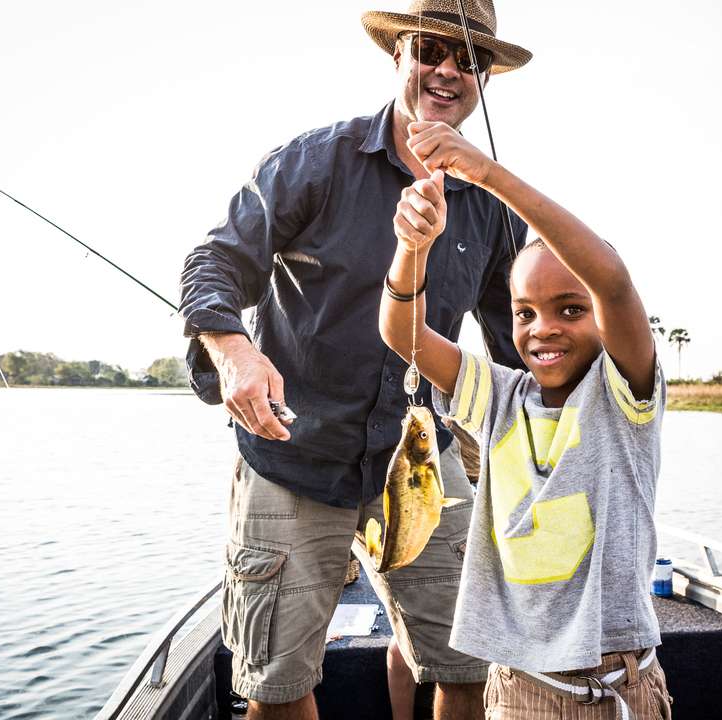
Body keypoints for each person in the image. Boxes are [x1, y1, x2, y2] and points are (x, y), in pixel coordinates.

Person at [178, 2, 532, 719]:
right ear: (397, 54)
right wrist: (233, 349)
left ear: (486, 77)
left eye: (470, 59)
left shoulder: (496, 207)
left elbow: (518, 348)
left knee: (469, 668)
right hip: (293, 457)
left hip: (424, 463)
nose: (448, 71)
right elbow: (213, 261)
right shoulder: (314, 161)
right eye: (432, 48)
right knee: (278, 690)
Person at [378, 123, 673, 718]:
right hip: (519, 689)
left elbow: (612, 281)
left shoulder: (624, 398)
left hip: (622, 685)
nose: (542, 328)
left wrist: (486, 175)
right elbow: (400, 332)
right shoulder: (500, 397)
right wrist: (413, 249)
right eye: (524, 312)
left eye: (570, 309)